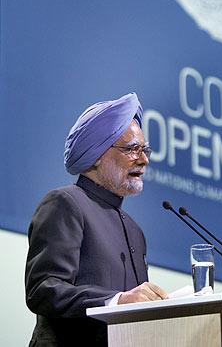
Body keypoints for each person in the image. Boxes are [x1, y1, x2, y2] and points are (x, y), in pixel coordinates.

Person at [25, 92, 167, 346]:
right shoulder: (65, 203)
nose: (144, 159)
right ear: (98, 154)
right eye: (132, 149)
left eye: (144, 149)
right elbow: (43, 290)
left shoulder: (135, 231)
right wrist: (117, 301)